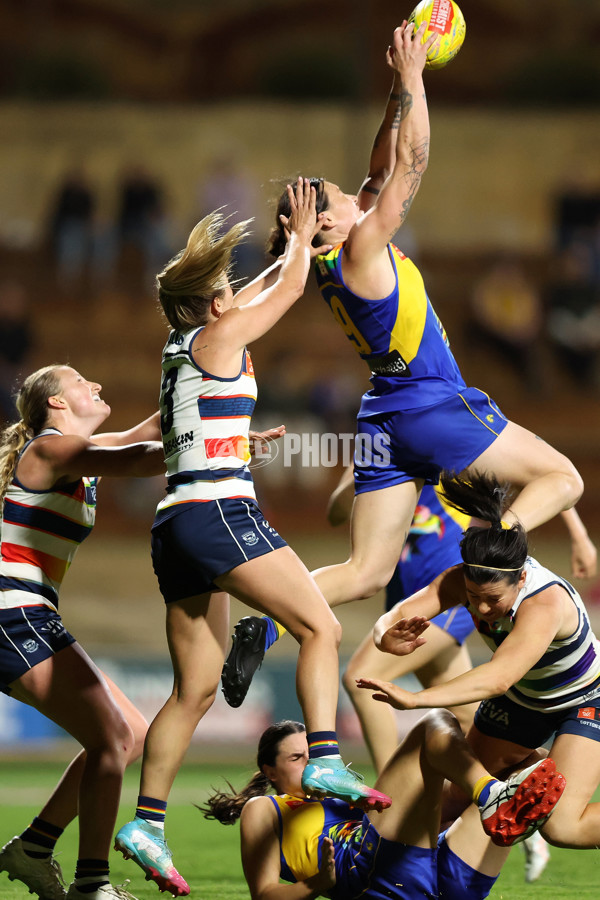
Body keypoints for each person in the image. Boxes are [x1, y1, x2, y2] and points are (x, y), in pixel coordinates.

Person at [113, 178, 389, 899]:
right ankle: (325, 756)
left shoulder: (181, 348)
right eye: (228, 288)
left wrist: (238, 446)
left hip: (177, 522)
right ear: (213, 304)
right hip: (218, 514)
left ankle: (146, 822)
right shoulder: (222, 332)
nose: (238, 293)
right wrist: (300, 236)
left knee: (194, 691)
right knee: (321, 627)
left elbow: (192, 429)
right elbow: (290, 288)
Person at [265, 21, 583, 617]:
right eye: (338, 195)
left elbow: (379, 168)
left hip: (383, 419)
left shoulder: (334, 255)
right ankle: (494, 545)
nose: (353, 194)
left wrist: (396, 88)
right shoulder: (360, 249)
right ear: (327, 222)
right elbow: (411, 163)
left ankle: (265, 622)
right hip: (430, 404)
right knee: (564, 479)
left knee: (364, 573)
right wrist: (416, 77)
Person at [359, 469, 600, 852]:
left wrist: (416, 699)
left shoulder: (545, 603)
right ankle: (399, 880)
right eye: (474, 596)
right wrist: (385, 635)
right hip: (524, 700)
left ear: (520, 580)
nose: (483, 608)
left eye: (493, 599)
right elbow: (398, 613)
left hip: (585, 699)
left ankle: (533, 774)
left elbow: (498, 678)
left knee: (562, 829)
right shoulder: (462, 580)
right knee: (456, 799)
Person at [0, 364, 166, 900]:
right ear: (56, 404)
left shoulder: (77, 454)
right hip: (10, 611)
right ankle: (91, 885)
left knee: (131, 733)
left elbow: (150, 432)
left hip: (33, 613)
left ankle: (34, 847)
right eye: (81, 382)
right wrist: (216, 454)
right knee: (112, 736)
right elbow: (140, 459)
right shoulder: (49, 450)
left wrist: (202, 383)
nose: (96, 384)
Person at [200, 716, 566, 900]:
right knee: (434, 724)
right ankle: (492, 796)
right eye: (298, 758)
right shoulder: (265, 809)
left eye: (316, 756)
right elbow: (264, 894)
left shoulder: (343, 794)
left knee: (538, 766)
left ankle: (512, 801)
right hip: (369, 872)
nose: (312, 766)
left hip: (434, 877)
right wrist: (316, 884)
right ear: (270, 771)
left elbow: (420, 819)